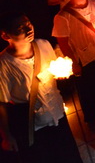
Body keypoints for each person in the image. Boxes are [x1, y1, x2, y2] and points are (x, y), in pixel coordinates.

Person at [0, 13, 82, 163]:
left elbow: (52, 73)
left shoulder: (43, 44)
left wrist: (64, 72)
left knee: (68, 154)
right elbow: (2, 104)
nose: (28, 29)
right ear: (6, 35)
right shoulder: (4, 64)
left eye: (29, 23)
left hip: (56, 112)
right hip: (32, 123)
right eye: (20, 28)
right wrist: (6, 136)